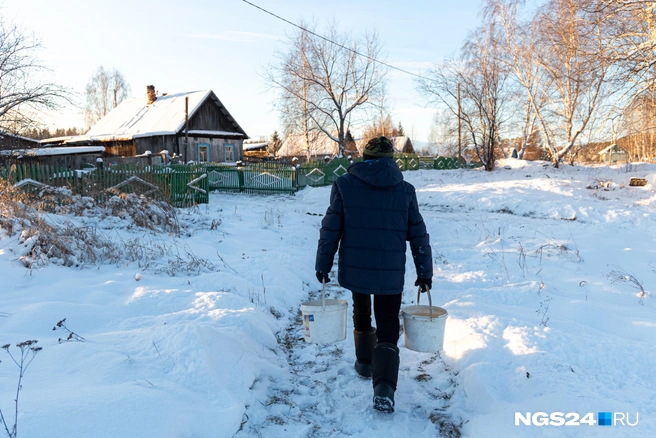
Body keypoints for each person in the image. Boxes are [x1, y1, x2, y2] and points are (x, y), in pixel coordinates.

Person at [315, 136, 433, 413]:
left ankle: (365, 363)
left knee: (361, 308)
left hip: (356, 265)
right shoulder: (405, 190)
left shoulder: (344, 184)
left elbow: (331, 227)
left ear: (364, 158)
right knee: (388, 320)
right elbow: (418, 233)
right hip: (390, 271)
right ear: (391, 160)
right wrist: (424, 272)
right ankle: (384, 386)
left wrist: (323, 263)